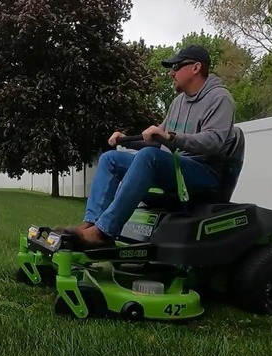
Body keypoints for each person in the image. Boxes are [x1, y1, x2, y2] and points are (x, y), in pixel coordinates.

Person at [56, 44, 238, 248]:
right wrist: (127, 139)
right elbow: (158, 139)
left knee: (149, 156)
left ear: (196, 67)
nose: (172, 73)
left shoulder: (220, 98)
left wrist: (170, 136)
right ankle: (89, 226)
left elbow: (214, 142)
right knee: (110, 159)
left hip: (203, 173)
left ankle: (104, 232)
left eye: (176, 66)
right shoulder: (178, 102)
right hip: (176, 167)